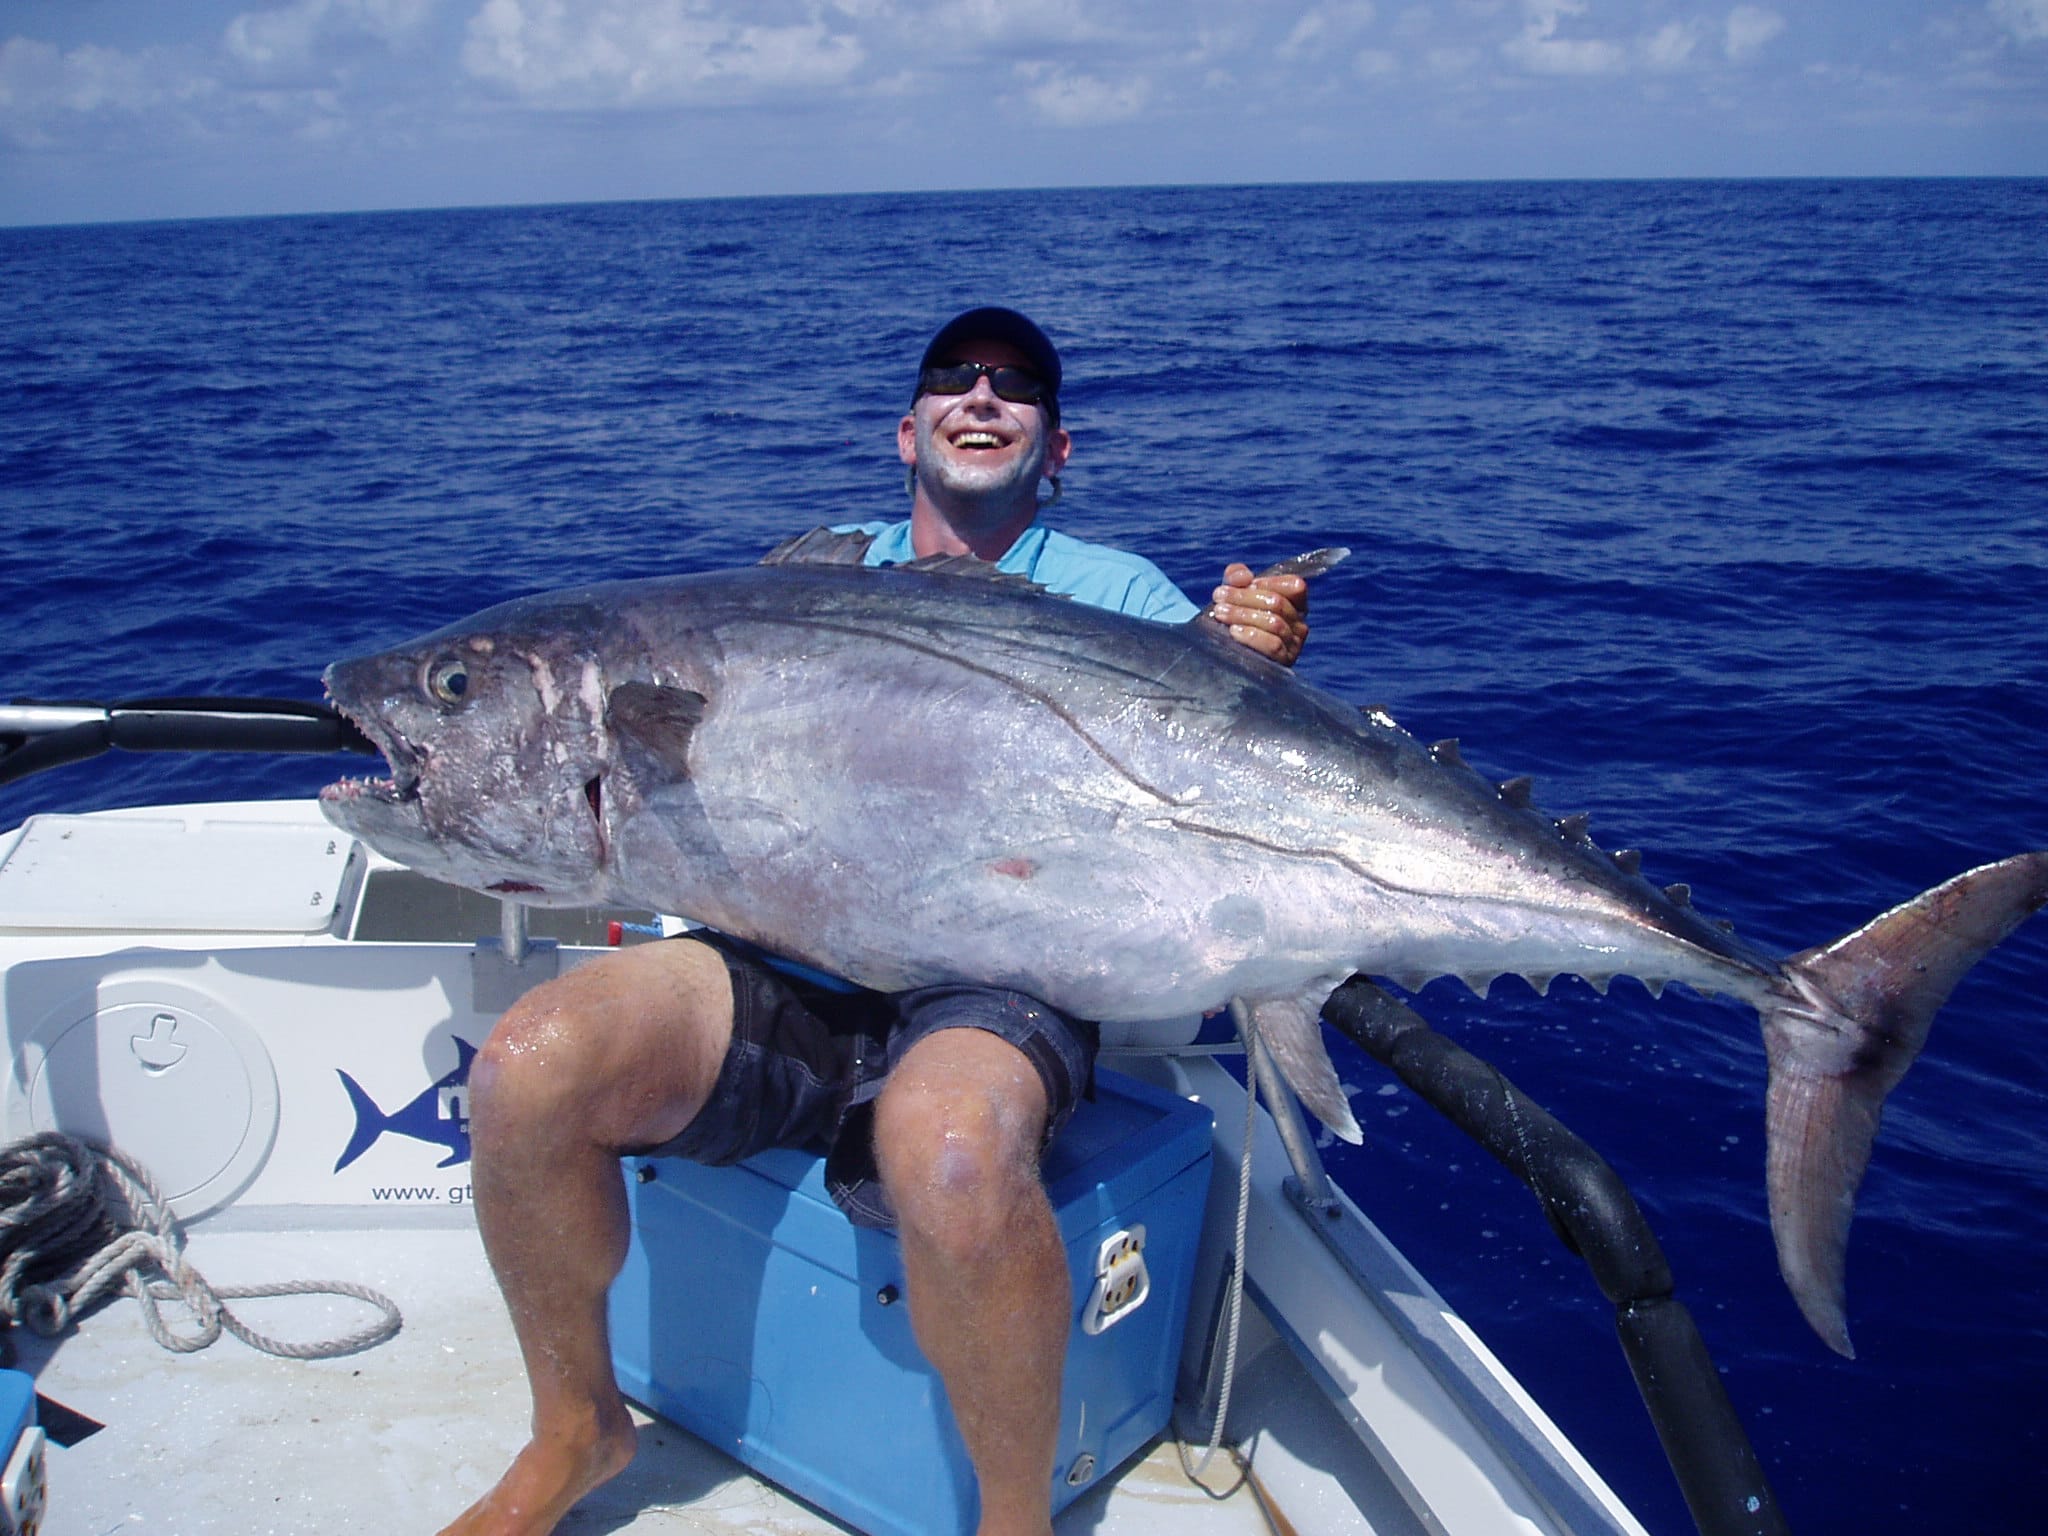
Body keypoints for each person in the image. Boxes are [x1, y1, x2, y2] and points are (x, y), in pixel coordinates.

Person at [439, 308, 1316, 1536]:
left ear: (1056, 449)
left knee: (949, 1150)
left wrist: (1247, 644)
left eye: (1017, 386)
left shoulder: (1121, 593)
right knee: (530, 1067)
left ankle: (1012, 1520)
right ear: (905, 430)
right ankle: (576, 1429)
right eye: (953, 377)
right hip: (781, 955)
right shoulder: (802, 574)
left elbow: (1228, 740)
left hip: (993, 978)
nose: (982, 394)